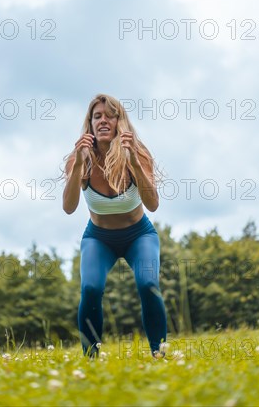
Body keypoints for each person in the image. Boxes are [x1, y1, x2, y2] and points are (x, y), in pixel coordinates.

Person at [61, 94, 167, 359]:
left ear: (121, 122)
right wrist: (77, 165)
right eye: (97, 116)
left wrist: (133, 164)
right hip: (99, 238)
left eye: (110, 115)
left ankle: (159, 354)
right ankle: (90, 359)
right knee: (90, 288)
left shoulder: (138, 154)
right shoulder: (78, 159)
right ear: (90, 124)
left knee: (148, 284)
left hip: (138, 235)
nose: (103, 120)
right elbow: (68, 207)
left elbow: (152, 205)